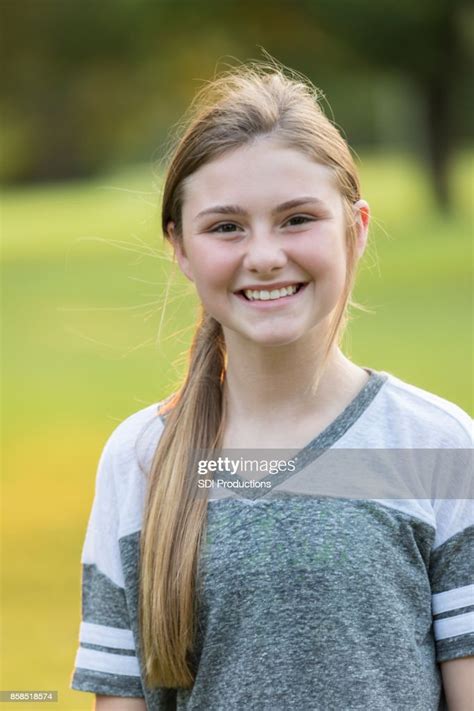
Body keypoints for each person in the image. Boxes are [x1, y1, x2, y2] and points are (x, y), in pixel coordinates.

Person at [70, 61, 473, 710]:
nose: (263, 254)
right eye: (226, 226)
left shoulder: (436, 446)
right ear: (179, 245)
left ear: (356, 228)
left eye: (296, 219)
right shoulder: (142, 459)